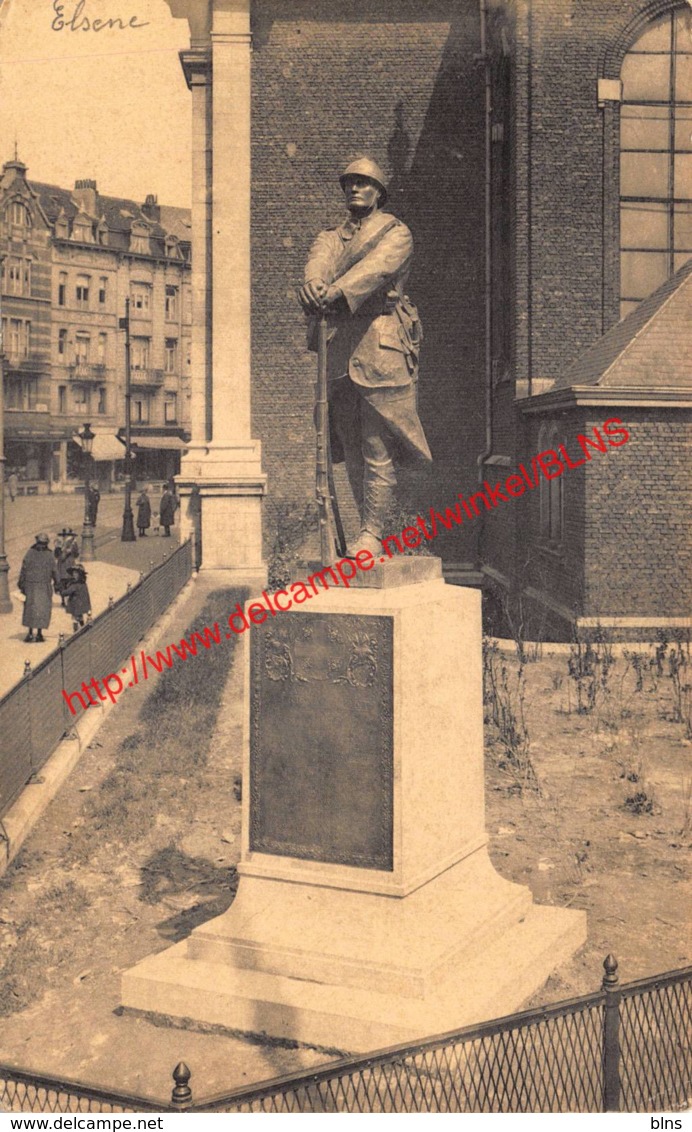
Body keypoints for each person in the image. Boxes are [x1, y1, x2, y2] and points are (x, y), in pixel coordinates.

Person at [299, 156, 431, 556]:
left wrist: (334, 291)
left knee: (377, 446)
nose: (355, 189)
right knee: (350, 446)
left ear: (379, 192)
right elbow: (317, 263)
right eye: (350, 184)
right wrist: (312, 284)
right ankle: (364, 530)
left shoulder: (396, 232)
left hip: (381, 344)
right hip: (339, 350)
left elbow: (376, 269)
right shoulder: (329, 237)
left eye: (364, 183)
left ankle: (373, 533)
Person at [18, 532, 59, 643]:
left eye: (44, 543)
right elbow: (24, 568)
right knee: (31, 610)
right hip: (31, 585)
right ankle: (30, 633)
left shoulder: (49, 555)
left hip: (44, 585)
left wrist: (57, 583)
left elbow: (55, 571)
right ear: (37, 542)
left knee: (42, 610)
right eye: (41, 543)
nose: (42, 545)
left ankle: (40, 633)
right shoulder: (30, 553)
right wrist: (22, 583)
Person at [63, 564, 91, 629]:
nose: (74, 575)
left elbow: (66, 592)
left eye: (76, 573)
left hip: (75, 605)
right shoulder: (83, 584)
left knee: (75, 619)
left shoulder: (75, 585)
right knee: (80, 618)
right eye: (73, 573)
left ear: (80, 575)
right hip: (81, 605)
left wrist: (62, 590)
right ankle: (83, 628)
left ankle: (75, 632)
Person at [55, 530, 79, 606]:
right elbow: (76, 554)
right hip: (69, 564)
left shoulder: (59, 543)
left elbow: (56, 555)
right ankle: (68, 600)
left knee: (62, 582)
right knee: (69, 582)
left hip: (61, 565)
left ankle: (63, 600)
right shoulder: (73, 543)